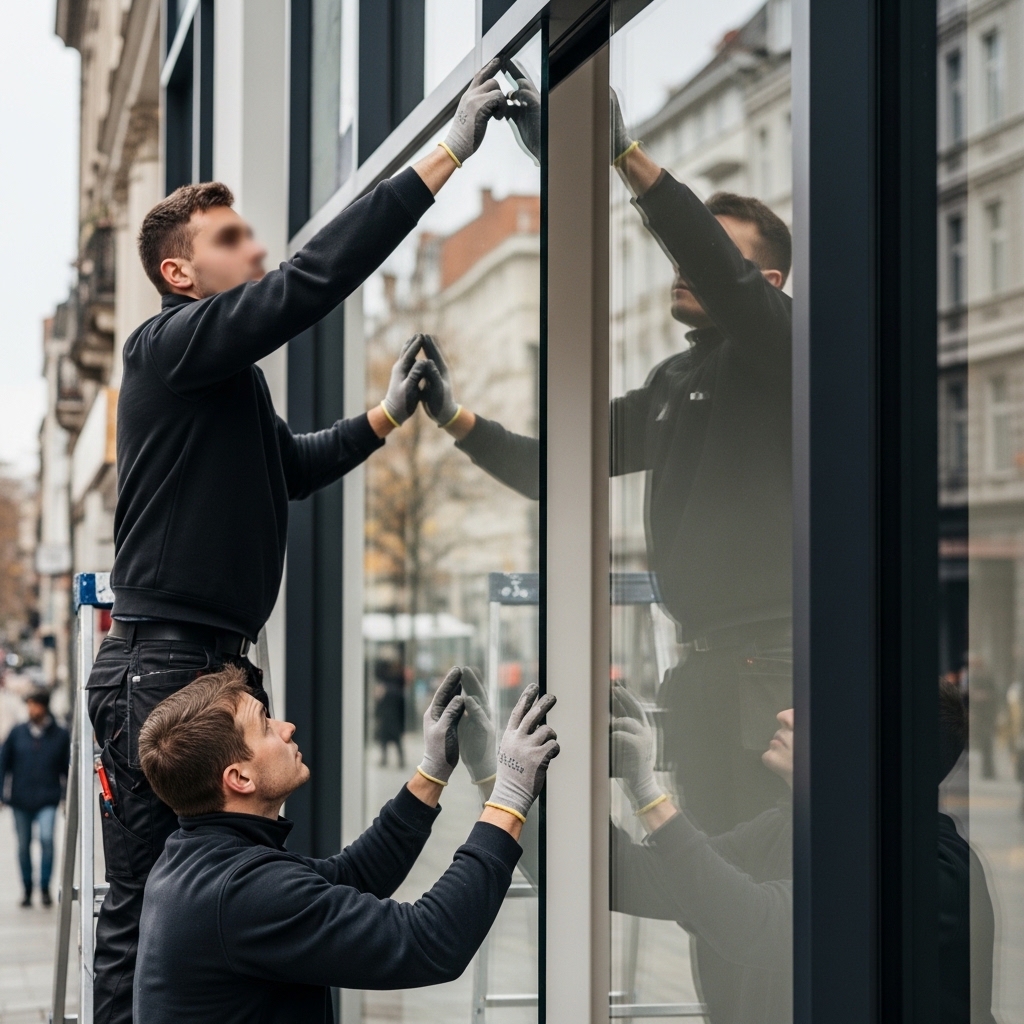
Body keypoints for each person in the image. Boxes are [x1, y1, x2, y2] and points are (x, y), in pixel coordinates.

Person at [86, 58, 511, 1024]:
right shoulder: (170, 345)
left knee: (208, 896)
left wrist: (389, 416)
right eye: (230, 239)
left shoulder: (223, 380)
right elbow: (307, 287)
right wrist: (445, 152)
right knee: (147, 902)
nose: (256, 249)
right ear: (179, 272)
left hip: (197, 660)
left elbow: (289, 466)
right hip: (165, 663)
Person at [416, 90, 794, 833]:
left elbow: (724, 275)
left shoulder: (783, 352)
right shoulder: (673, 384)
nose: (685, 266)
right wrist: (454, 417)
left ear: (766, 285)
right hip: (708, 674)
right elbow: (552, 465)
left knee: (756, 895)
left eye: (710, 256)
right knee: (706, 895)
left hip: (769, 670)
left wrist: (626, 156)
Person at [133, 665, 558, 1023]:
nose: (286, 728)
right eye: (265, 726)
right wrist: (509, 798)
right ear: (239, 778)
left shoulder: (200, 859)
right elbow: (428, 942)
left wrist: (432, 770)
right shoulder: (241, 891)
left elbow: (350, 878)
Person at [609, 680, 997, 1024]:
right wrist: (551, 789)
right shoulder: (791, 827)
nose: (785, 715)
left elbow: (757, 924)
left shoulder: (927, 871)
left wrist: (649, 793)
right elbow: (654, 882)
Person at [0, 690, 70, 908]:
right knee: (23, 846)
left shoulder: (60, 734)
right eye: (29, 705)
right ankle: (28, 890)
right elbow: (3, 764)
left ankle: (45, 887)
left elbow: (67, 769)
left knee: (47, 840)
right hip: (20, 800)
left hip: (48, 799)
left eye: (35, 705)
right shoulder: (17, 733)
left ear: (44, 706)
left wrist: (68, 798)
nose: (32, 710)